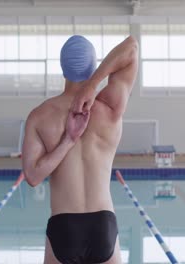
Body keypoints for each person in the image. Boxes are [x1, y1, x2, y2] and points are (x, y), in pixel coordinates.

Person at [22, 34, 138, 264]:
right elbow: (132, 46)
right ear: (94, 65)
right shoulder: (109, 107)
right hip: (103, 224)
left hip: (63, 226)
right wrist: (94, 84)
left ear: (63, 68)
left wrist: (67, 140)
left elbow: (33, 177)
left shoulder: (39, 116)